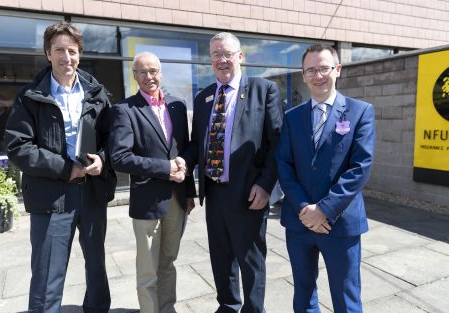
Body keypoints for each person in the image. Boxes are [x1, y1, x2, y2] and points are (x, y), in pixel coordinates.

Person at [4, 21, 116, 313]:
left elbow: (112, 139)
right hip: (51, 196)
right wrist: (67, 169)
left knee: (97, 269)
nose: (67, 57)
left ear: (80, 54)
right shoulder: (30, 96)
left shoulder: (97, 93)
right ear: (48, 54)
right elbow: (18, 147)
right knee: (46, 277)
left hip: (92, 194)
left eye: (72, 50)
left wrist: (102, 160)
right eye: (59, 50)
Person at [184, 32, 283, 313]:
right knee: (221, 256)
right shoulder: (204, 97)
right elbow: (196, 144)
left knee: (251, 260)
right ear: (210, 60)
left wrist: (266, 185)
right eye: (216, 55)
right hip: (214, 192)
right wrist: (181, 162)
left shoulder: (264, 90)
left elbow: (277, 144)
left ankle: (253, 309)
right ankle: (227, 305)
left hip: (249, 193)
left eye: (227, 53)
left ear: (240, 56)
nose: (222, 60)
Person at [276, 45, 376, 313]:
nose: (318, 75)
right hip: (299, 224)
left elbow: (360, 167)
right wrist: (304, 209)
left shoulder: (360, 112)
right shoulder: (291, 117)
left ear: (338, 70)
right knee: (304, 293)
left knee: (346, 298)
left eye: (324, 68)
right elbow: (284, 165)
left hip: (340, 225)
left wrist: (324, 210)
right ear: (304, 75)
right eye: (311, 70)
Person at [108, 51, 196, 313]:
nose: (149, 77)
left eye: (154, 71)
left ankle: (167, 309)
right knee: (148, 270)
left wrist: (187, 184)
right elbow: (120, 158)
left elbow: (186, 148)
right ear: (134, 76)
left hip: (177, 201)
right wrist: (166, 168)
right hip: (147, 201)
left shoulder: (178, 106)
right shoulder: (124, 110)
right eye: (143, 72)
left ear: (161, 72)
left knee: (168, 262)